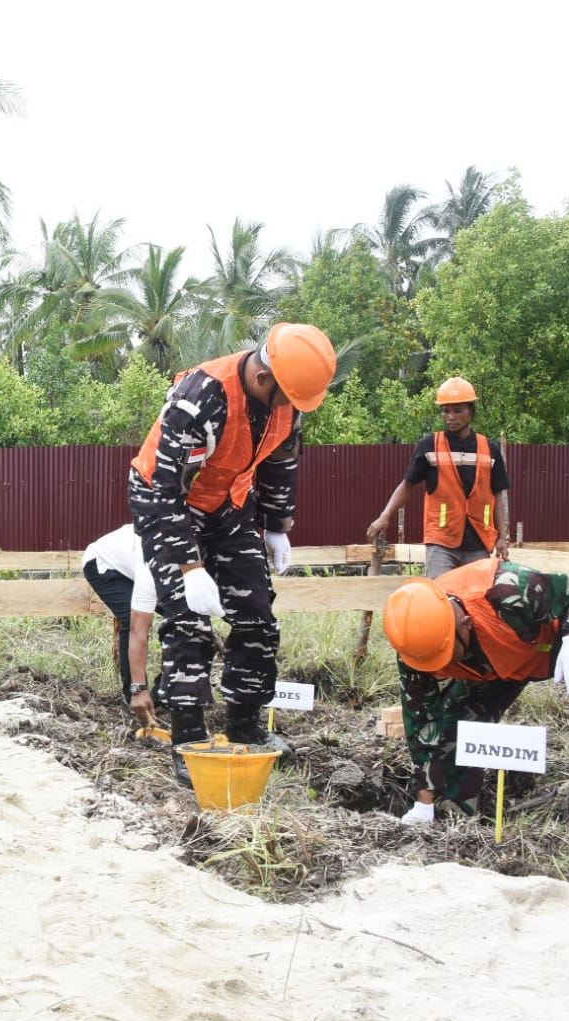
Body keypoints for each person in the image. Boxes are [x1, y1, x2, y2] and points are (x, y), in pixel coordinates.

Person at [128, 323, 337, 787]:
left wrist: (278, 527)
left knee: (258, 615)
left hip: (228, 502)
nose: (292, 408)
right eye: (287, 397)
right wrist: (190, 566)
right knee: (187, 620)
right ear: (264, 379)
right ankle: (190, 739)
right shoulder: (199, 397)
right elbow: (164, 490)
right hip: (169, 504)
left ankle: (245, 724)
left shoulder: (289, 402)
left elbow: (282, 462)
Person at [382, 558, 569, 823]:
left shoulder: (508, 589)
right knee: (453, 727)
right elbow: (422, 724)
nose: (442, 664)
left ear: (464, 625)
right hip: (489, 671)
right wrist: (424, 799)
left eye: (447, 654)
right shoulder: (417, 649)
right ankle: (455, 815)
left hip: (549, 648)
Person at [365, 376, 511, 578]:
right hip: (442, 542)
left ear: (471, 411)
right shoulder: (429, 446)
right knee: (440, 599)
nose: (451, 416)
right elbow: (407, 486)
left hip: (479, 542)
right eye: (446, 411)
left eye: (458, 410)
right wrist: (385, 516)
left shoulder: (490, 450)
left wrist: (502, 538)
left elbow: (497, 495)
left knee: (476, 601)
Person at [81, 524, 159, 728]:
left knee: (184, 623)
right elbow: (138, 629)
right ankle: (132, 695)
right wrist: (138, 688)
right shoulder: (152, 562)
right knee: (132, 620)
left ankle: (165, 693)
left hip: (132, 563)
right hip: (104, 564)